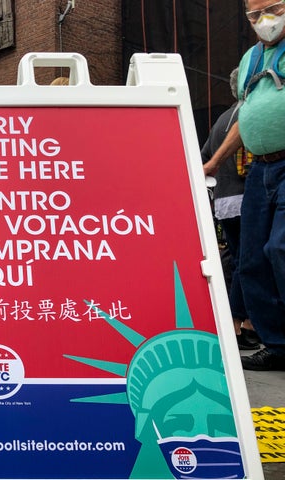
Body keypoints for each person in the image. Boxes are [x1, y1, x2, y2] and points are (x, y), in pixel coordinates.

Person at [203, 0, 285, 371]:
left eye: (274, 8)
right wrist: (214, 161)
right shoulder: (253, 57)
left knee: (279, 248)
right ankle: (277, 344)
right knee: (250, 260)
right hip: (259, 170)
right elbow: (245, 115)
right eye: (255, 14)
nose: (264, 19)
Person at [200, 68, 260, 350]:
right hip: (247, 195)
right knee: (250, 263)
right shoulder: (250, 114)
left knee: (238, 261)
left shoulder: (221, 119)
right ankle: (241, 323)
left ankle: (238, 324)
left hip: (223, 200)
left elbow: (203, 157)